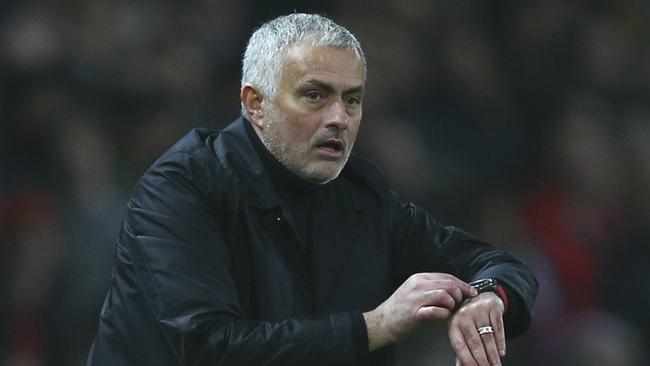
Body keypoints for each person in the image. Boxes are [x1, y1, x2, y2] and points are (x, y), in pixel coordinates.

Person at [86, 13, 537, 366]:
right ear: (255, 104)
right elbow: (208, 347)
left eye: (352, 99)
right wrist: (374, 327)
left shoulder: (362, 196)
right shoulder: (180, 192)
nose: (339, 117)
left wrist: (486, 297)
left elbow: (496, 263)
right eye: (315, 95)